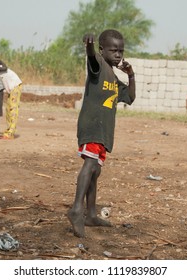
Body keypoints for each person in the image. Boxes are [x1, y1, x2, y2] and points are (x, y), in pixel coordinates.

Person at [67, 29, 136, 238]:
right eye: (113, 50)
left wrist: (131, 74)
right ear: (101, 50)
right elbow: (90, 56)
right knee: (90, 165)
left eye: (121, 51)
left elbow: (130, 98)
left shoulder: (114, 78)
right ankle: (77, 209)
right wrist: (88, 43)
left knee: (95, 171)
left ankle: (91, 214)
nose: (118, 54)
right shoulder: (98, 66)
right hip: (92, 126)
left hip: (104, 130)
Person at [0, 68, 22, 139]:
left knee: (13, 109)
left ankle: (10, 133)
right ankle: (9, 130)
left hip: (15, 87)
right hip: (11, 89)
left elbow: (3, 65)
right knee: (8, 109)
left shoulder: (0, 66)